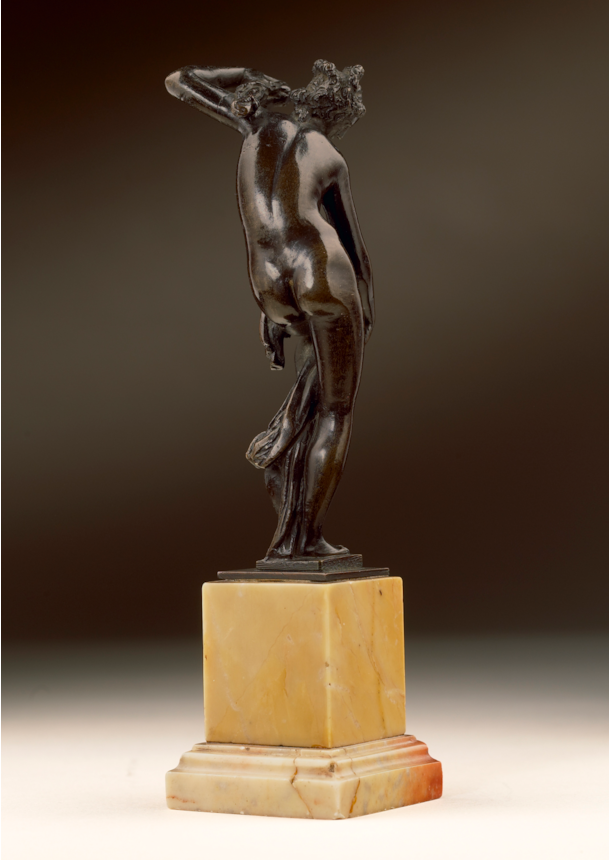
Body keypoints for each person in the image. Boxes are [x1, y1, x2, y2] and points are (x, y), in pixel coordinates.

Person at [165, 60, 374, 563]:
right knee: (335, 410)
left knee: (313, 384)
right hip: (325, 273)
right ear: (338, 115)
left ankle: (292, 508)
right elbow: (355, 252)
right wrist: (365, 311)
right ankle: (306, 537)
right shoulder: (331, 156)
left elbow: (180, 80)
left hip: (269, 283)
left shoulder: (257, 125)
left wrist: (245, 74)